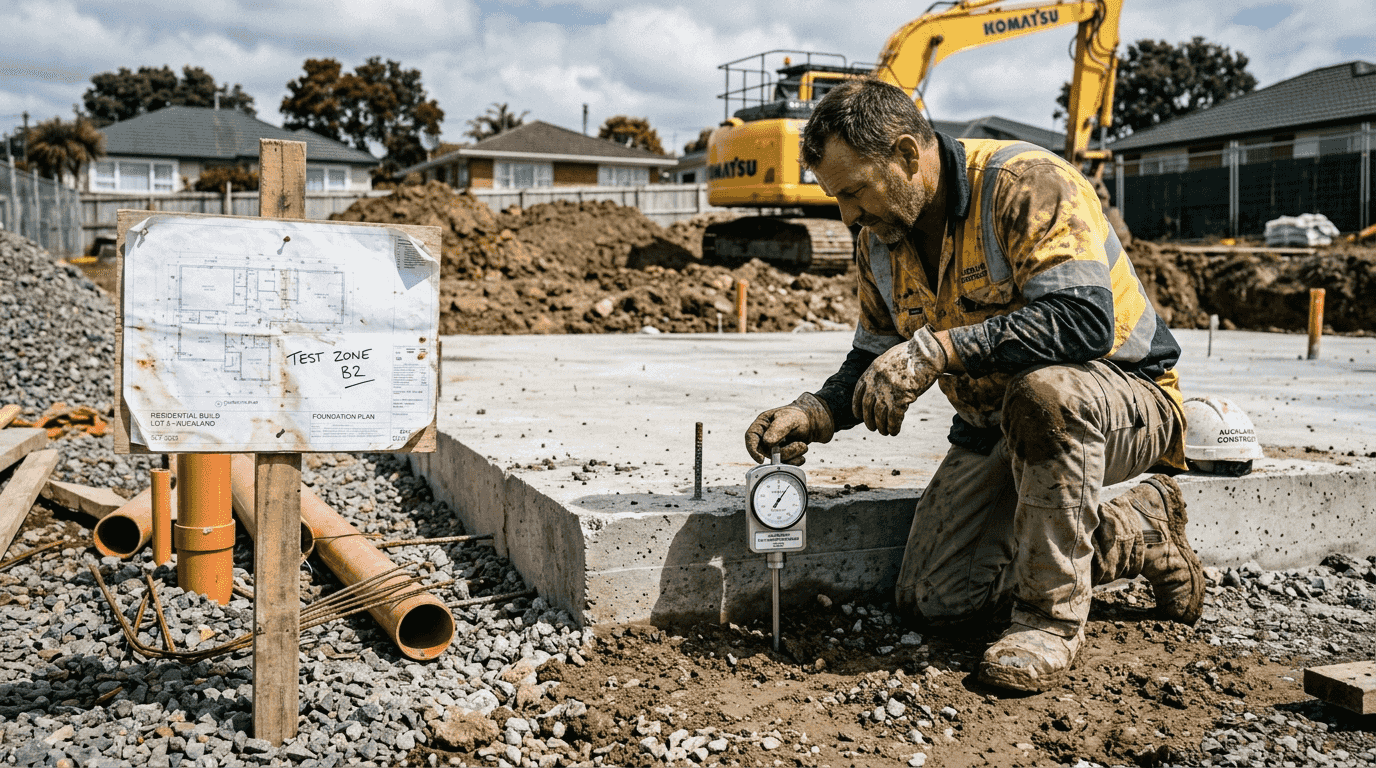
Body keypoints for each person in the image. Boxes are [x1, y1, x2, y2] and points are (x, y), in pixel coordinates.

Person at [743, 79, 1204, 692]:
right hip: (996, 425)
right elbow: (874, 355)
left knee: (1045, 396)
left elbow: (1084, 318)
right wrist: (816, 412)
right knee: (935, 599)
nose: (847, 215)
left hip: (1120, 397)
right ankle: (1136, 532)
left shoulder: (1026, 184)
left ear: (908, 155)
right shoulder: (879, 241)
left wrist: (941, 349)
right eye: (837, 198)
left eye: (853, 192)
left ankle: (1048, 623)